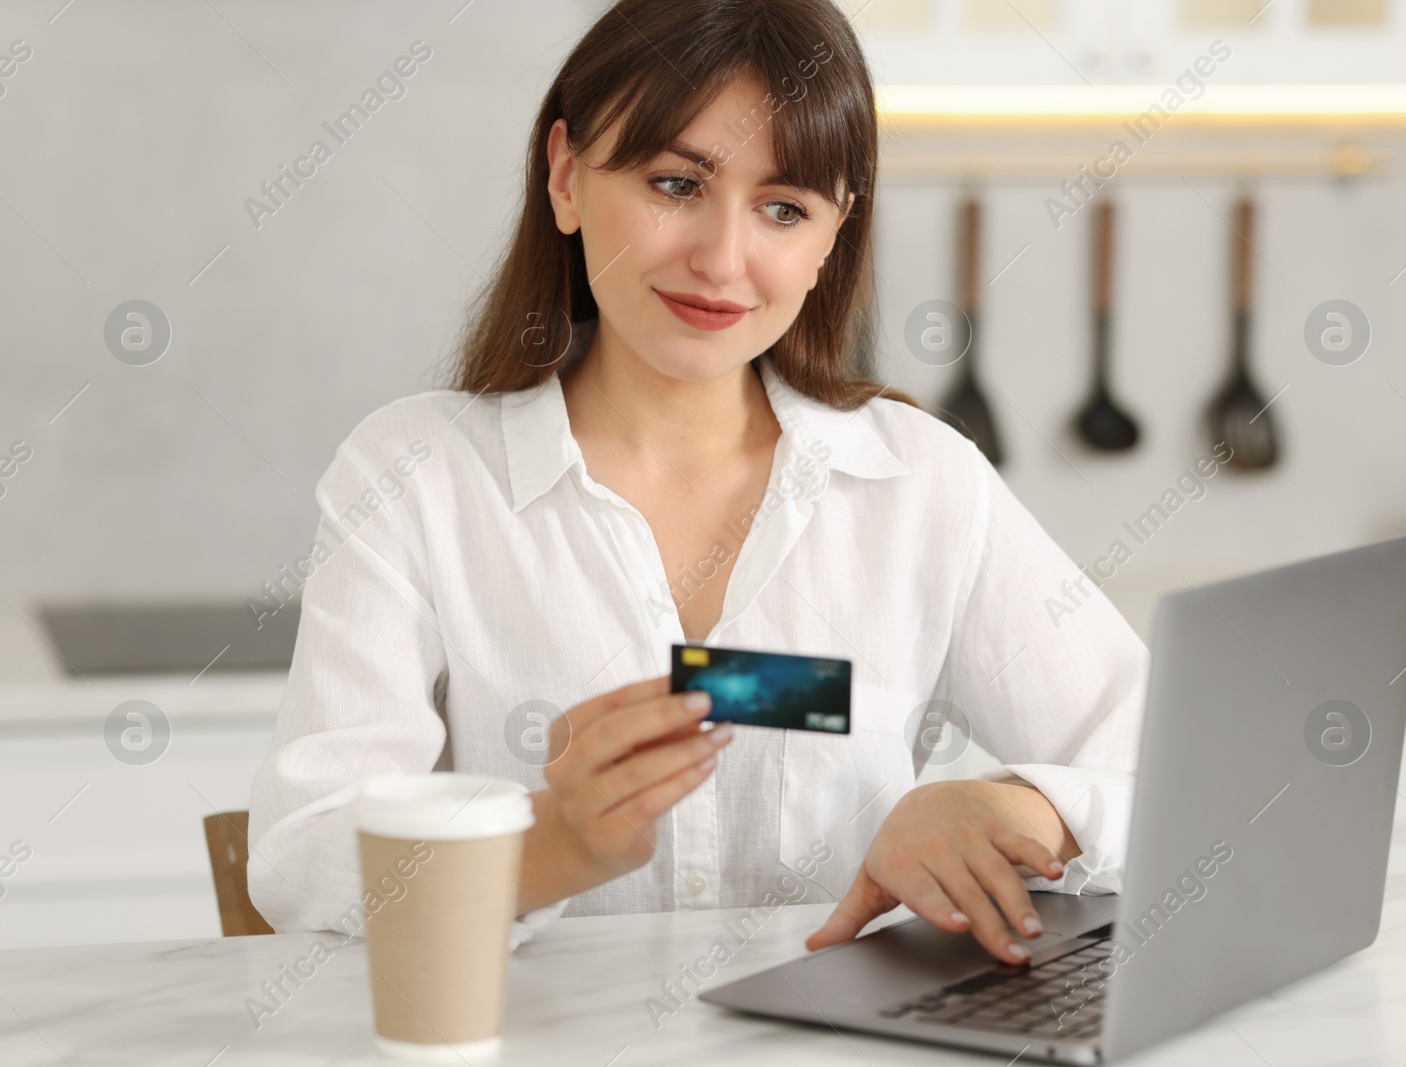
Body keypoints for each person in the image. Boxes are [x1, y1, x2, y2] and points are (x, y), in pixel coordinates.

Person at [247, 0, 1149, 965]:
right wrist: (554, 842)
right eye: (676, 183)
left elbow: (1172, 761)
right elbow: (303, 857)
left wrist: (1015, 806)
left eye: (784, 209)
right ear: (565, 177)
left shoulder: (919, 481)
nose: (722, 261)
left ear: (831, 238)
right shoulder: (415, 477)